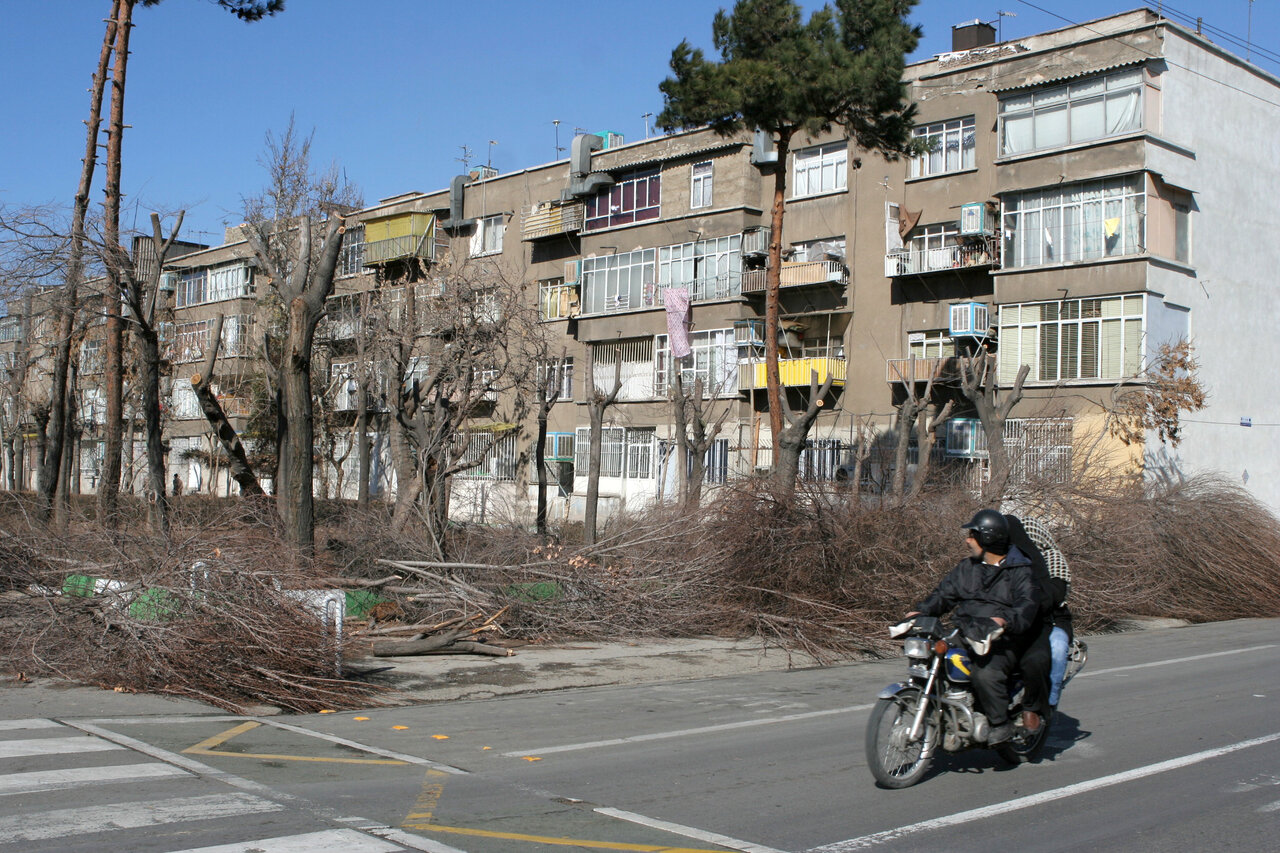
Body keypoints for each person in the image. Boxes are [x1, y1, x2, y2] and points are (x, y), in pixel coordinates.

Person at [906, 509, 1040, 745]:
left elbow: (1026, 606)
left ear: (987, 538)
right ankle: (941, 713)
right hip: (964, 630)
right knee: (930, 656)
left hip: (1001, 639)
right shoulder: (967, 568)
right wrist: (922, 611)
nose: (968, 540)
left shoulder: (1021, 571)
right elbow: (944, 595)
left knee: (985, 673)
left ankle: (1000, 723)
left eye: (973, 534)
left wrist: (1004, 621)